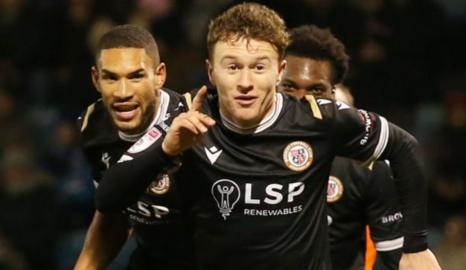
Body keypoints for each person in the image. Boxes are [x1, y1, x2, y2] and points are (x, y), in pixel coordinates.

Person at [95, 3, 441, 270]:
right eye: (232, 67)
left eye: (258, 67)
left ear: (279, 71)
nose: (245, 82)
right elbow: (109, 198)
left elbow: (403, 146)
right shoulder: (184, 117)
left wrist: (416, 246)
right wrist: (167, 149)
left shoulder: (318, 119)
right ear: (211, 71)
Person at [278, 25, 403, 269]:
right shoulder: (237, 149)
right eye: (290, 87)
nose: (302, 100)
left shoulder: (367, 165)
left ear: (334, 94)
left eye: (316, 89)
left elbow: (392, 256)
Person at [74, 25, 193, 270]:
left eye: (136, 76)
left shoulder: (194, 121)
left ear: (159, 76)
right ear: (96, 79)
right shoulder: (93, 127)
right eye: (111, 77)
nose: (123, 92)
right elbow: (114, 217)